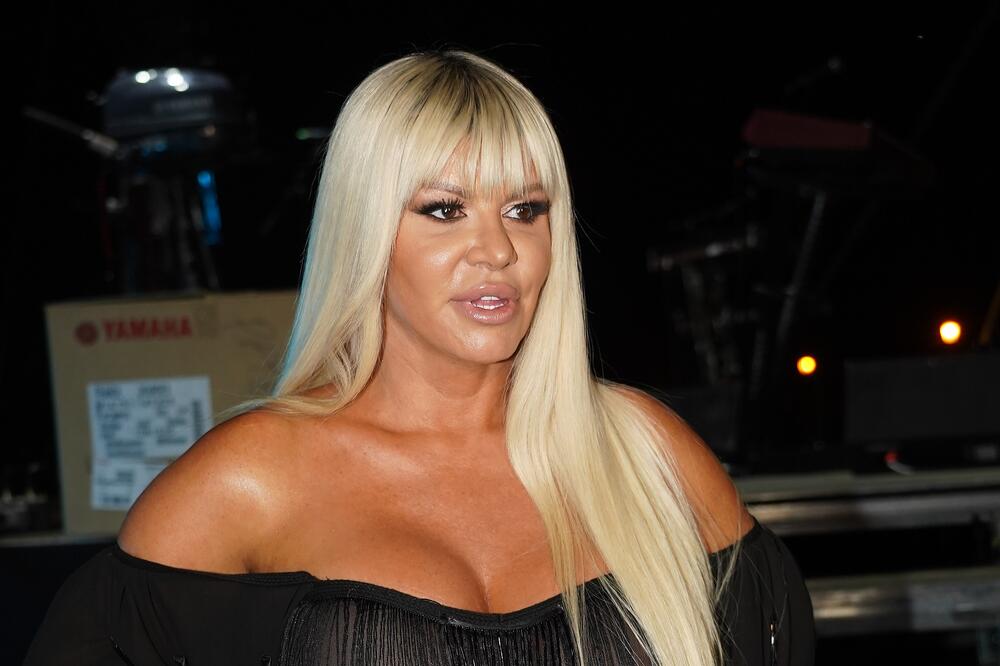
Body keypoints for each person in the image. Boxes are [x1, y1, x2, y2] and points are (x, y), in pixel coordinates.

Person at [23, 49, 815, 666]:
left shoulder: (644, 453)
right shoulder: (250, 482)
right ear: (366, 231)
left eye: (525, 209)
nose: (496, 249)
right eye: (444, 209)